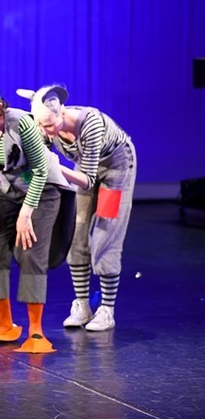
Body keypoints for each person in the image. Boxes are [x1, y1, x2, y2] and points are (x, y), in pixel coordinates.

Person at [0, 79, 73, 354]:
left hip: (43, 190)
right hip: (6, 191)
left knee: (30, 252)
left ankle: (36, 331)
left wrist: (26, 214)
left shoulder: (20, 124)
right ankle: (5, 326)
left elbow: (41, 170)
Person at [17, 85, 136, 332]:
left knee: (105, 233)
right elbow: (40, 164)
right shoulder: (45, 125)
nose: (44, 131)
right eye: (40, 125)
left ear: (62, 113)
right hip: (83, 168)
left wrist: (56, 168)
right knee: (76, 233)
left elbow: (88, 180)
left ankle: (107, 310)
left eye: (49, 125)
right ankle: (82, 305)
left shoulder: (90, 124)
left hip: (116, 168)